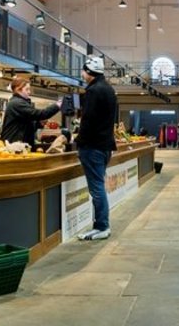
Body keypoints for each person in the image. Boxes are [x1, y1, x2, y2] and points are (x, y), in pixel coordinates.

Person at [76, 56, 118, 241]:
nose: (82, 73)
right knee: (98, 186)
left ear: (88, 71)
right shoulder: (109, 89)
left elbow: (88, 120)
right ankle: (101, 225)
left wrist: (78, 139)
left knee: (96, 188)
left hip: (92, 146)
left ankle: (102, 226)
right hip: (105, 145)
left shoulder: (93, 91)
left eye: (83, 70)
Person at [1, 77, 60, 148]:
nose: (29, 92)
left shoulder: (19, 102)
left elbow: (25, 125)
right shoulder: (17, 103)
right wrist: (57, 105)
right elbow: (40, 114)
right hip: (15, 146)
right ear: (18, 89)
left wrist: (39, 123)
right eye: (27, 89)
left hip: (19, 144)